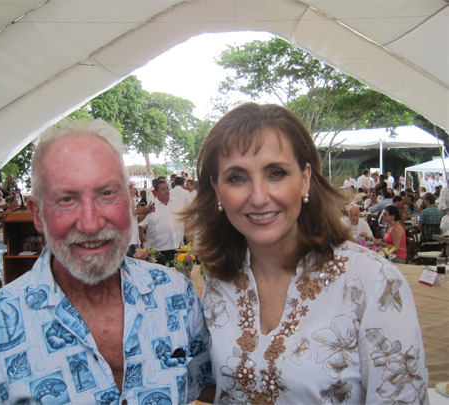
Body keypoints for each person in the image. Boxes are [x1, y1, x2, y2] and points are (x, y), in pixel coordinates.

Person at [181, 103, 428, 403]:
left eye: (276, 173)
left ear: (305, 178)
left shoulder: (373, 283)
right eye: (237, 177)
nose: (258, 197)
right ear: (217, 190)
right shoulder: (221, 278)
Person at [0, 120, 214, 403]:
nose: (91, 224)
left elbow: (210, 385)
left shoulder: (177, 296)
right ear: (38, 214)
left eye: (107, 193)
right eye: (67, 199)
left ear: (129, 199)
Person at [138, 180, 185, 265]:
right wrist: (141, 242)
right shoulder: (151, 207)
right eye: (163, 189)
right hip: (158, 249)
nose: (166, 191)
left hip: (177, 247)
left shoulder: (177, 203)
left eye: (167, 188)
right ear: (156, 192)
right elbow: (141, 225)